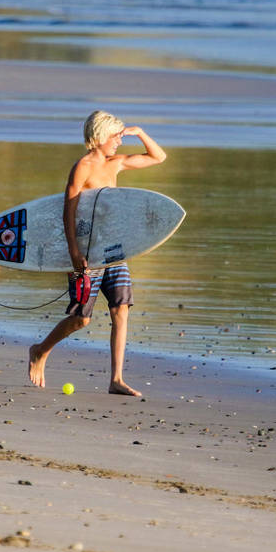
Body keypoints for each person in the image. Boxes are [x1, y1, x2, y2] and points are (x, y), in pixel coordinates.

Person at [28, 111, 166, 396]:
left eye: (120, 136)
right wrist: (73, 252)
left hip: (113, 250)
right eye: (115, 136)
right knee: (82, 318)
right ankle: (40, 350)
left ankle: (116, 379)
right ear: (99, 136)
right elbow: (69, 210)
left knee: (121, 309)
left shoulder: (114, 164)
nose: (118, 141)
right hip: (87, 254)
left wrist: (138, 131)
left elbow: (158, 157)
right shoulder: (82, 167)